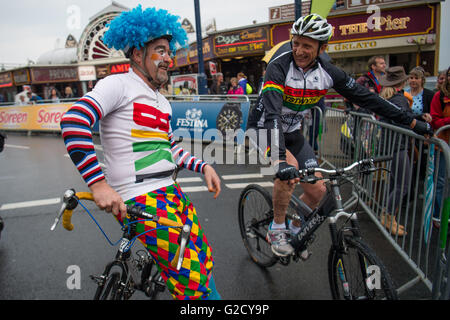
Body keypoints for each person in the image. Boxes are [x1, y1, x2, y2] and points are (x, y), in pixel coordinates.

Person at [60, 5, 222, 300]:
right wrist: (98, 184)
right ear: (137, 54)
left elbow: (170, 148)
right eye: (160, 50)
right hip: (141, 199)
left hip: (171, 193)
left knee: (205, 262)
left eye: (170, 51)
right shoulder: (117, 84)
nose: (169, 59)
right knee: (193, 285)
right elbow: (73, 122)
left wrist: (203, 167)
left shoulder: (161, 101)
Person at [248, 13, 433, 256]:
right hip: (263, 128)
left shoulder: (328, 71)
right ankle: (278, 226)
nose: (299, 50)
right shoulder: (279, 66)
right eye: (296, 42)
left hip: (292, 131)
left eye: (307, 45)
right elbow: (272, 113)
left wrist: (410, 121)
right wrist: (279, 158)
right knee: (289, 172)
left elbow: (369, 99)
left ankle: (294, 229)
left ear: (322, 47)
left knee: (318, 191)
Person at [378, 66, 421, 236]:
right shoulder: (400, 99)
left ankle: (389, 216)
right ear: (403, 81)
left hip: (392, 144)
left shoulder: (389, 97)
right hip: (399, 145)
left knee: (396, 183)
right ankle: (387, 215)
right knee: (402, 185)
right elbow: (405, 120)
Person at [430, 66, 450, 228]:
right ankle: (437, 215)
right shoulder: (439, 96)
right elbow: (435, 121)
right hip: (444, 144)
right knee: (441, 181)